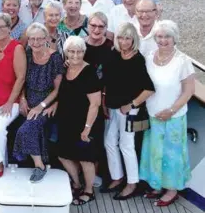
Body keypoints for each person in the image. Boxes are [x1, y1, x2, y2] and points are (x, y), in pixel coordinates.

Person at [140, 20, 195, 207]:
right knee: (154, 153)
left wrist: (171, 111)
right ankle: (156, 185)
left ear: (175, 38)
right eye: (160, 36)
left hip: (173, 117)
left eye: (167, 36)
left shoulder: (183, 61)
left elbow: (188, 91)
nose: (163, 40)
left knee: (171, 155)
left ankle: (171, 190)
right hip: (152, 114)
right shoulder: (149, 56)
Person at [101, 23, 155, 200]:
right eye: (121, 38)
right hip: (112, 105)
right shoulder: (113, 55)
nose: (123, 42)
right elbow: (107, 81)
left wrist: (131, 105)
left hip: (129, 110)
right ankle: (117, 177)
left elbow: (148, 89)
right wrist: (104, 101)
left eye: (127, 38)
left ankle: (132, 183)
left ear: (134, 40)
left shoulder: (138, 59)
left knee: (126, 145)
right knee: (109, 141)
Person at [13, 23, 64, 183]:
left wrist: (41, 106)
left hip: (46, 103)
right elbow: (20, 79)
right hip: (28, 100)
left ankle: (39, 165)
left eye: (39, 39)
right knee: (32, 127)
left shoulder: (55, 58)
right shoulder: (27, 54)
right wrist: (22, 99)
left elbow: (57, 90)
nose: (35, 42)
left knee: (26, 129)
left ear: (46, 39)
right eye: (32, 39)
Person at [56, 36, 101, 206]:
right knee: (63, 154)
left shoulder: (89, 72)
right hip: (66, 121)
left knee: (85, 159)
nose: (75, 55)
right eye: (72, 51)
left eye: (79, 51)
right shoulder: (66, 68)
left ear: (84, 52)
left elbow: (95, 104)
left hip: (84, 123)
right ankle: (76, 183)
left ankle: (89, 191)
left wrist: (87, 128)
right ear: (66, 53)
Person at [0, 13, 26, 178]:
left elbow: (21, 77)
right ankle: (3, 167)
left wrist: (10, 101)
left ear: (9, 28)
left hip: (10, 100)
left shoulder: (17, 48)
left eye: (2, 26)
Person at [83, 11, 114, 187]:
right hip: (80, 97)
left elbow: (111, 77)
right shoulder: (80, 45)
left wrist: (103, 100)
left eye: (101, 26)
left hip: (100, 98)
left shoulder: (110, 47)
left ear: (106, 29)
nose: (96, 29)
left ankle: (93, 174)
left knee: (96, 136)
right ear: (87, 26)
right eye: (93, 25)